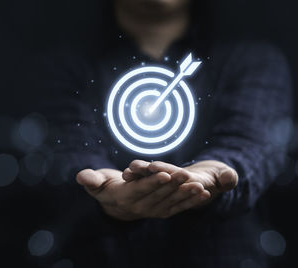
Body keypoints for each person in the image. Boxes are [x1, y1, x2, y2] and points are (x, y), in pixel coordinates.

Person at [42, 0, 293, 266]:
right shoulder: (61, 67)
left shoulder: (253, 60)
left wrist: (215, 172)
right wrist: (102, 191)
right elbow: (69, 153)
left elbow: (249, 146)